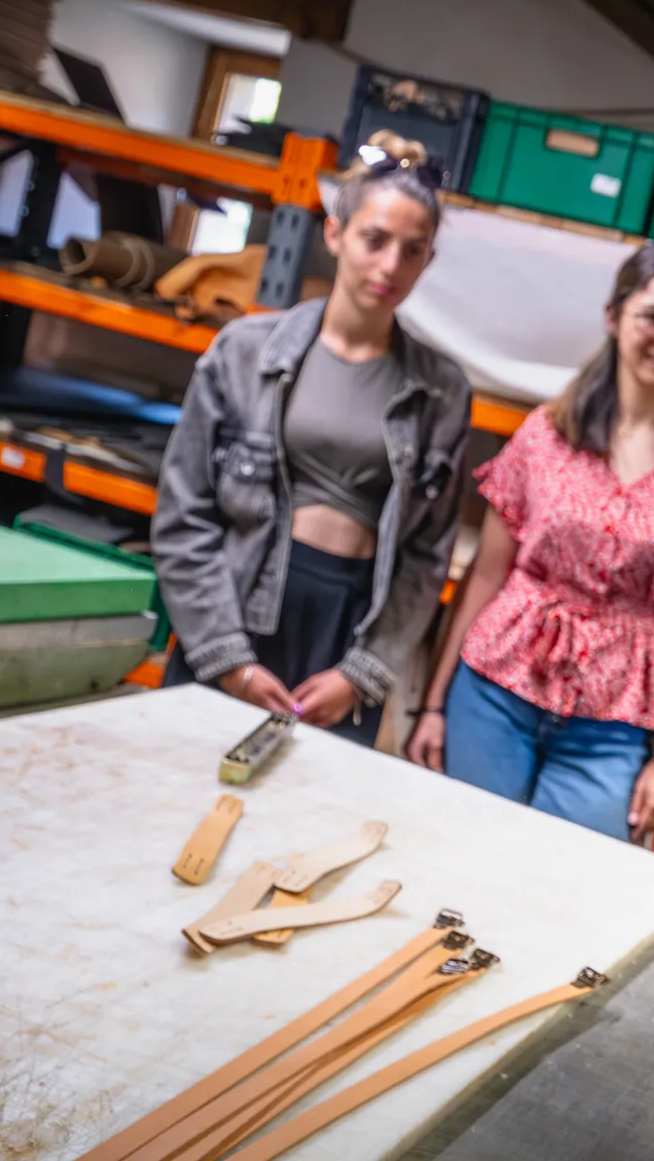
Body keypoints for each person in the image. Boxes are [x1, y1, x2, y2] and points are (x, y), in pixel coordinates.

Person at [406, 242, 654, 842]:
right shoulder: (548, 433)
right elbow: (487, 575)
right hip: (494, 689)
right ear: (614, 316)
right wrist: (433, 705)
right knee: (464, 851)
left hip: (611, 726)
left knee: (567, 878)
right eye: (653, 317)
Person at [153, 132, 471, 743]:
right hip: (235, 609)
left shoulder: (441, 390)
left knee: (312, 799)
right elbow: (182, 513)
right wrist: (228, 658)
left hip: (348, 635)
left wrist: (362, 673)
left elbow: (427, 555)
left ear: (428, 260)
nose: (390, 266)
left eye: (412, 251)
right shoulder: (244, 352)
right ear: (335, 234)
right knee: (185, 778)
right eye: (374, 240)